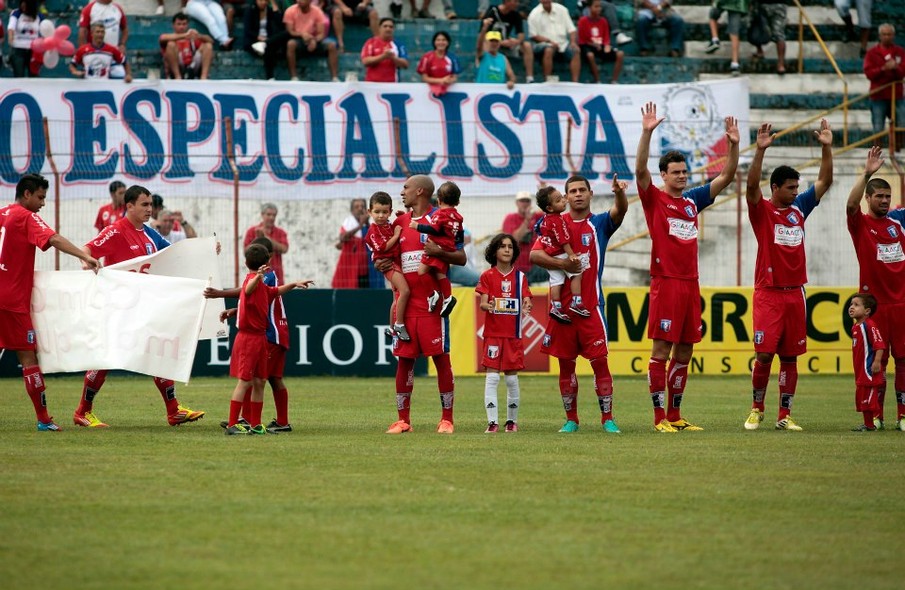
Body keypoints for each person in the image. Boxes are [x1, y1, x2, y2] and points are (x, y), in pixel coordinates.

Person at [636, 102, 740, 432]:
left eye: (684, 172)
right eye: (675, 172)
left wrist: (734, 146)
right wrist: (647, 133)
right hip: (666, 281)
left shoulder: (693, 200)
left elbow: (726, 176)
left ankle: (675, 415)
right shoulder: (654, 197)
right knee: (661, 349)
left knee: (685, 350)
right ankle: (657, 419)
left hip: (691, 283)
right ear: (663, 175)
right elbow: (640, 171)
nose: (681, 176)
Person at [74, 185, 206, 428]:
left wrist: (205, 252)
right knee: (106, 359)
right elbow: (88, 248)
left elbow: (175, 252)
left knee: (159, 353)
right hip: (119, 307)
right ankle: (83, 411)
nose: (150, 209)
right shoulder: (115, 231)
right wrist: (87, 260)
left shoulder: (148, 233)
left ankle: (173, 411)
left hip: (145, 306)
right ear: (130, 206)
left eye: (151, 204)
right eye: (145, 205)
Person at [743, 118, 834, 431]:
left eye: (797, 187)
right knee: (764, 353)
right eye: (791, 187)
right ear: (775, 189)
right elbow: (751, 186)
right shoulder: (763, 211)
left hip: (796, 293)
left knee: (791, 357)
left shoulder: (800, 209)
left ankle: (785, 415)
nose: (797, 192)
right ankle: (757, 408)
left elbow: (824, 181)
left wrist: (826, 148)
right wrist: (760, 151)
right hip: (768, 292)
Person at [529, 174, 628, 434]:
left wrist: (619, 193)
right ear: (566, 196)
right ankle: (571, 419)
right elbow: (534, 254)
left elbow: (620, 210)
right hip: (561, 312)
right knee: (566, 365)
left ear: (591, 193)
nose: (578, 195)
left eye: (582, 190)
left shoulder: (599, 224)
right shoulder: (554, 223)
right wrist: (564, 264)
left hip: (590, 307)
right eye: (572, 191)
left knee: (600, 363)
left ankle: (607, 418)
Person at [0, 174, 100, 431]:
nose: (42, 203)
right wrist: (84, 256)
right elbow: (53, 239)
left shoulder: (1, 213)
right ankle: (44, 419)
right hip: (11, 301)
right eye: (41, 197)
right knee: (28, 358)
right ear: (26, 194)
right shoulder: (25, 216)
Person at [376, 175, 466, 435]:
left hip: (432, 306)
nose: (401, 192)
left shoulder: (443, 218)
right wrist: (381, 264)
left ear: (420, 191)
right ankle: (403, 420)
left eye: (405, 188)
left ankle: (446, 419)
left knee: (441, 359)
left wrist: (439, 253)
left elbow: (460, 257)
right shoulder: (399, 223)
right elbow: (384, 254)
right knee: (404, 361)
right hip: (406, 306)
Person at [209, 237, 303, 432]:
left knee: (257, 379)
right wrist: (236, 310)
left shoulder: (263, 276)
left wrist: (220, 294)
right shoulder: (259, 278)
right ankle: (253, 420)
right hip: (267, 333)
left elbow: (249, 291)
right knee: (262, 378)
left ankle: (250, 420)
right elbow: (252, 297)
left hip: (270, 333)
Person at [846, 145, 905, 430]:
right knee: (875, 363)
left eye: (887, 196)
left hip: (902, 303)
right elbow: (849, 205)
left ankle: (903, 415)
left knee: (904, 361)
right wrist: (867, 173)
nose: (884, 200)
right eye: (879, 196)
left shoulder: (899, 221)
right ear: (868, 198)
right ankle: (877, 416)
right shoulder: (860, 224)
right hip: (875, 308)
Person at [476, 233, 532, 433]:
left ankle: (511, 421)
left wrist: (527, 304)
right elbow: (482, 302)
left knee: (510, 378)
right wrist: (487, 305)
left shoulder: (520, 277)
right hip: (493, 335)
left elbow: (527, 299)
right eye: (502, 246)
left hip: (513, 335)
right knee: (492, 377)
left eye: (510, 246)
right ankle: (492, 422)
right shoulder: (487, 276)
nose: (507, 249)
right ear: (495, 251)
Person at [409, 180, 464, 318]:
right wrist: (451, 244)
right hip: (448, 248)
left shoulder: (439, 214)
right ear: (457, 202)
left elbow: (434, 229)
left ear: (439, 201)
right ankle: (447, 297)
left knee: (421, 271)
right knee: (440, 274)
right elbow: (459, 236)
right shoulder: (458, 217)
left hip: (435, 247)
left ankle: (432, 294)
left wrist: (417, 226)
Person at [534, 185, 586, 323]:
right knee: (576, 273)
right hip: (560, 253)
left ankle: (556, 306)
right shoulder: (557, 220)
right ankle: (577, 301)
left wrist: (564, 199)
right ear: (550, 208)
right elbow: (563, 240)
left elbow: (538, 230)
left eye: (563, 197)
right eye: (559, 200)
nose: (564, 201)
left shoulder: (545, 219)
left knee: (556, 281)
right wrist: (571, 255)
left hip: (550, 254)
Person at [364, 191, 411, 341]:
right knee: (405, 291)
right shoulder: (373, 230)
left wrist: (402, 216)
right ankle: (399, 324)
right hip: (389, 265)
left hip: (396, 263)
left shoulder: (389, 225)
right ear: (369, 212)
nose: (380, 215)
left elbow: (401, 228)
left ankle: (391, 328)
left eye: (385, 212)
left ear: (390, 212)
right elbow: (383, 248)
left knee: (397, 299)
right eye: (377, 212)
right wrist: (396, 235)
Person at [848, 293, 884, 432]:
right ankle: (868, 424)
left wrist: (876, 361)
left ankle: (871, 425)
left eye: (856, 305)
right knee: (862, 397)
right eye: (851, 304)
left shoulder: (870, 325)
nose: (851, 307)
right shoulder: (856, 327)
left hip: (868, 370)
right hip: (860, 372)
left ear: (867, 311)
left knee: (868, 399)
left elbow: (879, 344)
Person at [863, 23, 905, 137]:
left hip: (897, 95)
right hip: (878, 96)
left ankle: (898, 150)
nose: (887, 37)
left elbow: (903, 73)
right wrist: (883, 69)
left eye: (889, 34)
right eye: (884, 34)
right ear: (880, 36)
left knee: (901, 126)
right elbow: (868, 73)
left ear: (893, 35)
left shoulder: (900, 52)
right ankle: (877, 152)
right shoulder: (871, 53)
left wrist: (896, 67)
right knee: (878, 128)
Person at [284, 0, 339, 81]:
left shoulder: (317, 11)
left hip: (314, 39)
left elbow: (321, 33)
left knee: (332, 45)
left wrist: (314, 40)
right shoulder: (290, 11)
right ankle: (294, 77)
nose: (300, 1)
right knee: (290, 44)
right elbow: (290, 31)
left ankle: (334, 78)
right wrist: (302, 34)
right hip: (299, 39)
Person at [481, 0, 535, 83]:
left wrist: (515, 42)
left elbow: (521, 35)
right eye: (515, 2)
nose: (517, 4)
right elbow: (483, 33)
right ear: (506, 1)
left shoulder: (516, 15)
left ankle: (529, 78)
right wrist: (500, 42)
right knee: (485, 43)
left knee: (527, 45)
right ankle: (486, 72)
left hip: (508, 44)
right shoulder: (493, 10)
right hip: (493, 42)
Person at [527, 0, 580, 83]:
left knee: (575, 50)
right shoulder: (534, 14)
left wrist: (573, 42)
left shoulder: (562, 10)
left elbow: (572, 30)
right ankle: (548, 81)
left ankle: (575, 82)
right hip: (543, 44)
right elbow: (534, 35)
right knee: (549, 50)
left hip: (563, 43)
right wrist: (549, 41)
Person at [77, 0, 129, 79]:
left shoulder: (117, 9)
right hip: (95, 55)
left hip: (113, 55)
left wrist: (122, 44)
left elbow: (125, 29)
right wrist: (84, 53)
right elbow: (82, 32)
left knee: (120, 78)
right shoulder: (89, 9)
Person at [502, 191, 544, 283]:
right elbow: (513, 240)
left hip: (534, 266)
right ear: (517, 203)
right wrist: (527, 220)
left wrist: (543, 193)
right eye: (522, 201)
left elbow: (549, 213)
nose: (525, 204)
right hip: (516, 267)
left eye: (527, 201)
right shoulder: (510, 218)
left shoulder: (537, 216)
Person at [577, 0, 623, 84]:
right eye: (596, 7)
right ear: (589, 8)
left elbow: (606, 37)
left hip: (600, 45)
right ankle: (597, 80)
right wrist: (593, 44)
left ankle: (614, 80)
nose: (599, 9)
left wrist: (606, 45)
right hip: (587, 45)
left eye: (600, 7)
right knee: (590, 55)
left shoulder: (603, 21)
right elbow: (582, 39)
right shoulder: (583, 21)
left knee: (620, 54)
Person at [159, 11, 215, 80]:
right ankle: (178, 77)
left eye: (184, 24)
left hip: (192, 66)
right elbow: (162, 38)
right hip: (177, 66)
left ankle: (204, 77)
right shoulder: (171, 37)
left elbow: (211, 41)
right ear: (173, 25)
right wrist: (184, 35)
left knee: (208, 46)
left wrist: (199, 36)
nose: (181, 27)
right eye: (179, 24)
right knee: (171, 45)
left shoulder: (192, 37)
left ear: (188, 25)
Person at [243, 202, 289, 284]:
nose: (271, 217)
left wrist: (265, 238)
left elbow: (284, 249)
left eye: (274, 215)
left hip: (276, 275)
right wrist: (258, 239)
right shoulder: (252, 231)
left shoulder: (281, 232)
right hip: (257, 276)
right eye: (268, 214)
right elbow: (246, 252)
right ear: (262, 215)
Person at [331, 197, 370, 289]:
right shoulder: (348, 222)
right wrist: (360, 225)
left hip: (365, 268)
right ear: (352, 210)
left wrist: (366, 223)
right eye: (357, 207)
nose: (360, 209)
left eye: (362, 206)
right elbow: (342, 238)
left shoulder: (369, 223)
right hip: (351, 265)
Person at [704, 0, 748, 75]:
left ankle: (715, 39)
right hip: (737, 4)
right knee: (734, 32)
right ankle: (735, 63)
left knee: (712, 16)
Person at [361, 17, 408, 83]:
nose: (388, 29)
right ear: (379, 28)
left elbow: (405, 64)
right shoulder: (371, 42)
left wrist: (393, 58)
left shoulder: (398, 45)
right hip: (372, 84)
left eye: (391, 27)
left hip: (392, 84)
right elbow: (365, 61)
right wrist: (383, 56)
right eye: (385, 26)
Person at [7, 0, 45, 77]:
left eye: (25, 6)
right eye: (22, 6)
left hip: (34, 50)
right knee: (19, 75)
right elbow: (11, 27)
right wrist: (11, 39)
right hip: (18, 49)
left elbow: (45, 30)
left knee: (34, 76)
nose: (23, 8)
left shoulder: (39, 16)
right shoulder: (16, 13)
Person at [417, 30, 461, 96]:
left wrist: (449, 81)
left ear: (448, 43)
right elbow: (424, 78)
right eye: (438, 40)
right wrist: (441, 80)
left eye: (444, 40)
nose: (441, 42)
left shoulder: (453, 58)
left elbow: (455, 77)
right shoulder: (427, 57)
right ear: (434, 42)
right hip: (428, 93)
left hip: (448, 92)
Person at [750, 0, 787, 76]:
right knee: (779, 34)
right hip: (779, 5)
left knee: (758, 26)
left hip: (765, 4)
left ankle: (760, 51)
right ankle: (781, 64)